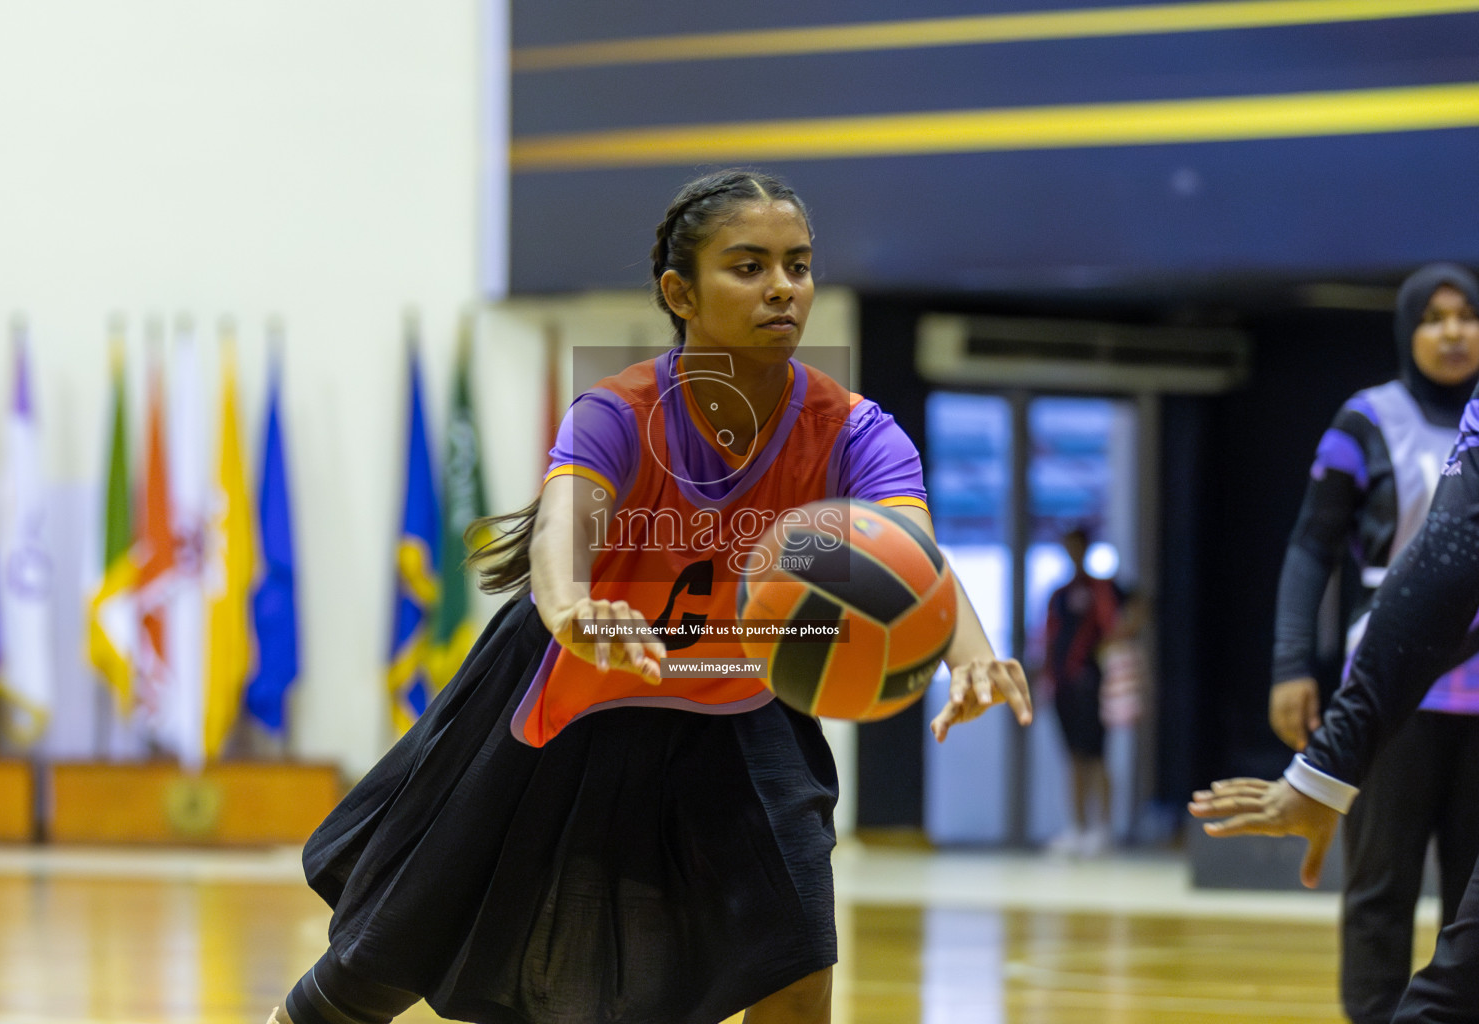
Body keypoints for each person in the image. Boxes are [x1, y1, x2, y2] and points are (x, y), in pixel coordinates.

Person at [267, 169, 1033, 1024]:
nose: (784, 287)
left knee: (796, 960)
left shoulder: (854, 429)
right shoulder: (619, 413)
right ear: (681, 291)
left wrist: (972, 652)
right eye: (749, 266)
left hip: (737, 708)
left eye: (799, 264)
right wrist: (572, 610)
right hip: (576, 698)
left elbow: (912, 557)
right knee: (390, 956)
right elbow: (564, 534)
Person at [1190, 271, 1479, 1024]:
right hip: (1395, 693)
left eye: (1469, 317)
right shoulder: (1366, 419)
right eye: (1435, 319)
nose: (1453, 333)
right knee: (1379, 891)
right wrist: (1290, 664)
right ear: (1407, 332)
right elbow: (1310, 546)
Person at [1042, 526, 1122, 857]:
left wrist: (1106, 652)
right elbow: (1047, 636)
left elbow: (1125, 618)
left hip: (1092, 683)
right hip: (1062, 685)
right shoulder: (1059, 594)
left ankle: (1102, 828)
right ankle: (1077, 827)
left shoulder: (1103, 589)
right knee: (1073, 756)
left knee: (1097, 756)